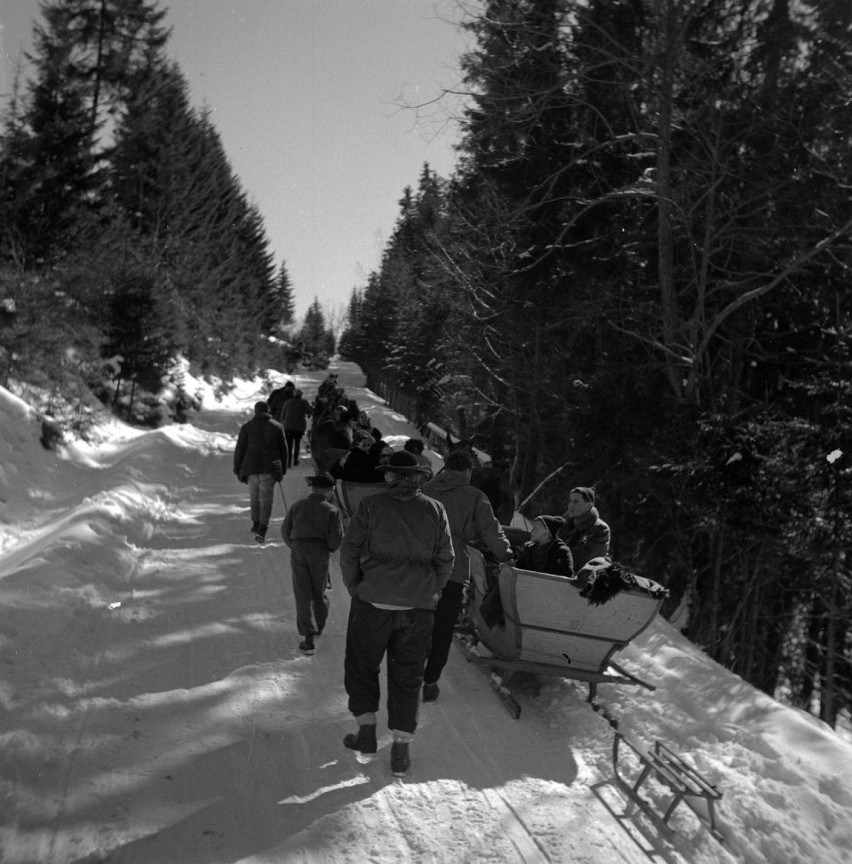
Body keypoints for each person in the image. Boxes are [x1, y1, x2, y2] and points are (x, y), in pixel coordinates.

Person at [340, 450, 454, 777]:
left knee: (362, 665)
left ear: (389, 476)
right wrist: (432, 590)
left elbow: (349, 551)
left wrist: (355, 586)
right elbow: (446, 560)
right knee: (407, 676)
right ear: (418, 477)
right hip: (418, 608)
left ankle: (365, 734)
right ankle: (400, 753)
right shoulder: (435, 509)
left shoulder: (371, 506)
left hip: (373, 603)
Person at [420, 451, 512, 703]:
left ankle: (409, 672)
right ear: (468, 472)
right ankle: (430, 682)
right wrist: (506, 555)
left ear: (445, 468)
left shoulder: (424, 488)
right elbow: (492, 533)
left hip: (418, 567)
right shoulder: (475, 496)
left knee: (415, 621)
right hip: (451, 570)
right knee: (441, 628)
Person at [281, 473, 343, 655]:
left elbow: (286, 531)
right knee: (318, 590)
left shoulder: (297, 506)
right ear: (329, 490)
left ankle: (307, 636)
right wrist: (328, 549)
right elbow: (336, 539)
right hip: (319, 551)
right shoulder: (332, 510)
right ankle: (319, 624)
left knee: (302, 591)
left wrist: (295, 545)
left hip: (299, 549)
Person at [233, 401, 288, 543]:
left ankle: (255, 523)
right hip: (269, 469)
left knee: (254, 496)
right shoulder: (277, 427)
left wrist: (237, 468)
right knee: (266, 498)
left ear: (255, 411)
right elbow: (284, 450)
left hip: (251, 468)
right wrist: (282, 468)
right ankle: (263, 526)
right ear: (268, 410)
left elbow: (240, 449)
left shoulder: (247, 427)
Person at [559, 486, 611, 570]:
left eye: (576, 501)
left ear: (589, 505)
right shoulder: (562, 525)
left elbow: (581, 559)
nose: (571, 505)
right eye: (570, 500)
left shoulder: (600, 529)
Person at [281, 387, 313, 467]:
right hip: (299, 427)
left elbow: (283, 415)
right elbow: (311, 411)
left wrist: (283, 423)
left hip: (288, 426)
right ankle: (295, 460)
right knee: (297, 443)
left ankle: (288, 462)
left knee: (289, 444)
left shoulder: (287, 402)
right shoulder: (304, 402)